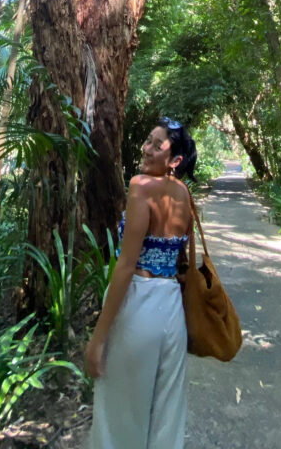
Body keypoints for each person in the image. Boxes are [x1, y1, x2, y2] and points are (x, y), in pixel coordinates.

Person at [85, 117, 198, 449]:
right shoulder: (184, 194)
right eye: (148, 140)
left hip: (139, 305)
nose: (147, 148)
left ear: (174, 160)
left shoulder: (140, 187)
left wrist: (98, 337)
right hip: (172, 311)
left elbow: (125, 266)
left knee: (119, 415)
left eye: (156, 144)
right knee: (166, 415)